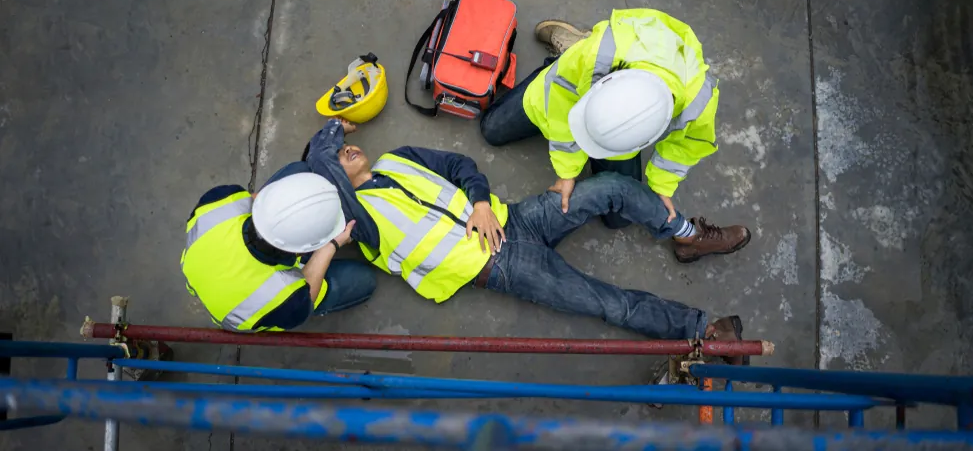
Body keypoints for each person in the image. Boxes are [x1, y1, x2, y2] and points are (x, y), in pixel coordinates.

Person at [304, 118, 750, 364]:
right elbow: (330, 169)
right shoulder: (356, 223)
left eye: (345, 146)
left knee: (610, 186)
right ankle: (706, 331)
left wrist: (479, 203)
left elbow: (459, 164)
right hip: (503, 268)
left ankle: (687, 236)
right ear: (333, 182)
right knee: (609, 304)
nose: (347, 150)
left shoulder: (397, 160)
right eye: (338, 157)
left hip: (516, 218)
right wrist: (329, 137)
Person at [480, 9, 748, 263]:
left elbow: (687, 146)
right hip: (573, 75)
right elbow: (560, 109)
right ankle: (570, 50)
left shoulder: (699, 97)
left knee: (619, 219)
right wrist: (567, 172)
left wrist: (662, 186)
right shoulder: (596, 56)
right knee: (492, 129)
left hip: (613, 90)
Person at [181, 160, 377, 332]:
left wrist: (295, 207)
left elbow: (255, 199)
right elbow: (306, 296)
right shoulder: (283, 298)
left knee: (299, 170)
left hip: (205, 269)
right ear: (303, 250)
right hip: (241, 313)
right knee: (364, 280)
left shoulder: (219, 200)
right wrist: (331, 245)